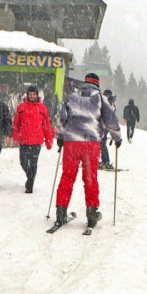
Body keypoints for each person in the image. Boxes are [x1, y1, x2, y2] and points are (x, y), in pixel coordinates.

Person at [52, 73, 122, 232]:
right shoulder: (100, 98)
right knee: (90, 178)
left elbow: (62, 118)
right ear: (97, 85)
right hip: (90, 143)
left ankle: (61, 211)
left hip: (71, 142)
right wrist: (116, 137)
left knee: (67, 176)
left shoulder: (72, 97)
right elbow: (111, 119)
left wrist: (61, 136)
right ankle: (91, 214)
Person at [12, 85, 53, 193]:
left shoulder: (43, 109)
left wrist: (49, 141)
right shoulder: (21, 107)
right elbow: (16, 124)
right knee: (23, 162)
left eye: (34, 94)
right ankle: (30, 177)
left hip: (37, 141)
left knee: (33, 163)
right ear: (27, 95)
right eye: (30, 94)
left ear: (37, 95)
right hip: (24, 140)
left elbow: (47, 126)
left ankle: (30, 185)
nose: (32, 96)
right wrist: (15, 137)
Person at [98, 89, 116, 169]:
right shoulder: (108, 102)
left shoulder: (109, 102)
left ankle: (106, 161)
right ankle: (105, 160)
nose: (104, 96)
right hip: (104, 124)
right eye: (104, 94)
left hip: (106, 125)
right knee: (101, 142)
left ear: (109, 95)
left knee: (102, 142)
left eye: (106, 95)